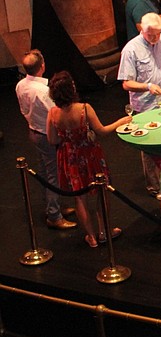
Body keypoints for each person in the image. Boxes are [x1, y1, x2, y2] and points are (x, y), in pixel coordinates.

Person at [46, 72, 130, 249]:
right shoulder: (84, 108)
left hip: (69, 157)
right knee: (101, 192)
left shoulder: (53, 113)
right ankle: (104, 232)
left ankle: (91, 237)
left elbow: (52, 140)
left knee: (80, 198)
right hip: (89, 154)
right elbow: (103, 130)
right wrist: (122, 121)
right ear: (72, 89)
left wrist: (68, 139)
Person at [118, 13, 161, 197]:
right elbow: (126, 83)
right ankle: (155, 186)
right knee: (149, 148)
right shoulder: (131, 50)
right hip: (145, 106)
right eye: (150, 35)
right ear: (142, 31)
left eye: (157, 34)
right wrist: (147, 87)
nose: (154, 39)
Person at [16, 51, 76, 231]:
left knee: (44, 172)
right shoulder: (43, 90)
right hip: (46, 135)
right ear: (42, 66)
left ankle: (54, 206)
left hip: (34, 131)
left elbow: (23, 109)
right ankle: (54, 215)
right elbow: (56, 112)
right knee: (53, 175)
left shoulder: (20, 85)